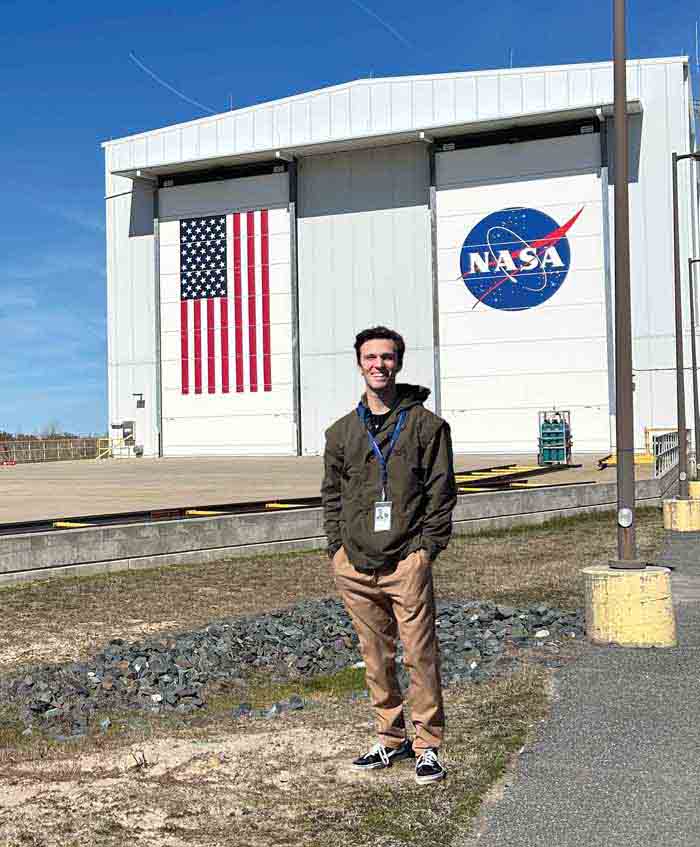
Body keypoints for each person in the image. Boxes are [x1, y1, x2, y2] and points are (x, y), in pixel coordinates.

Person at [321, 326, 457, 785]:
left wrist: (425, 552)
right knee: (375, 656)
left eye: (387, 357)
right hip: (356, 566)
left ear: (398, 362)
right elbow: (331, 496)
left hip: (406, 563)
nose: (378, 364)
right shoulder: (341, 433)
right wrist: (336, 550)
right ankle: (389, 737)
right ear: (359, 363)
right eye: (370, 357)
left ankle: (428, 745)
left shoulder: (426, 426)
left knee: (420, 655)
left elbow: (442, 495)